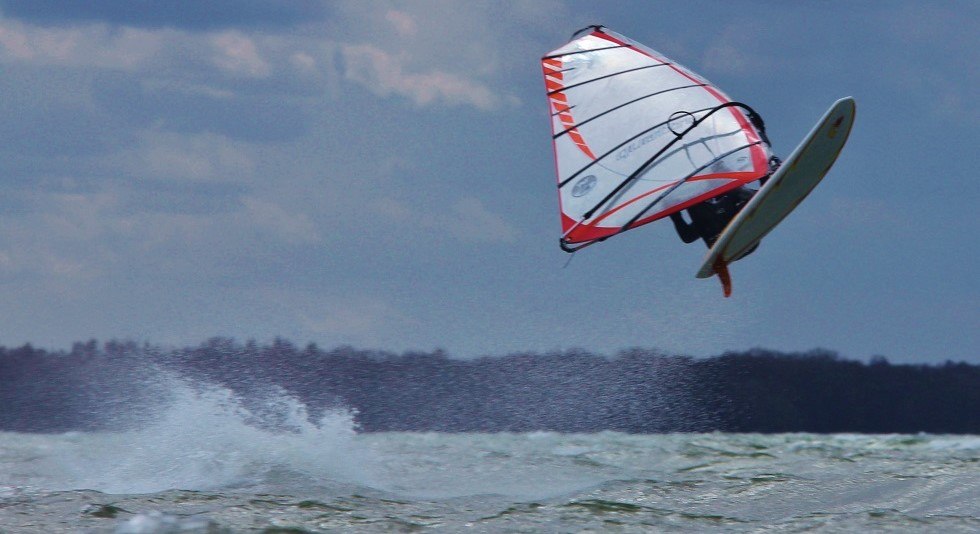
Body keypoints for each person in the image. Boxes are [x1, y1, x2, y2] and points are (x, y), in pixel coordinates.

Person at [668, 156, 781, 253]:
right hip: (723, 238)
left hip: (741, 236)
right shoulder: (712, 203)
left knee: (736, 191)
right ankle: (770, 177)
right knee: (700, 204)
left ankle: (770, 177)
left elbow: (687, 237)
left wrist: (675, 215)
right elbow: (688, 236)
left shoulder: (735, 195)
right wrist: (674, 214)